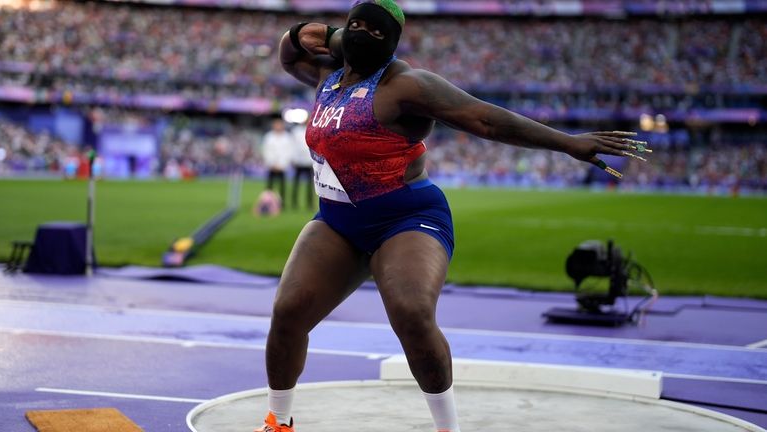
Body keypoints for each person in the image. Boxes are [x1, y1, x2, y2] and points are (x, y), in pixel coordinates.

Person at [257, 1, 649, 431]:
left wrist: (567, 143)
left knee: (411, 313)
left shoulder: (406, 86)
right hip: (338, 221)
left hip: (405, 218)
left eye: (375, 31)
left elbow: (485, 120)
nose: (362, 34)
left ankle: (448, 428)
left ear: (391, 44)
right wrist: (319, 34)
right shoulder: (326, 78)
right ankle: (279, 420)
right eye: (356, 26)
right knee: (288, 310)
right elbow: (289, 51)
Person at [261, 118, 293, 208]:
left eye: (279, 124)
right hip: (271, 166)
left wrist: (282, 164)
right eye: (276, 124)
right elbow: (266, 151)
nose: (278, 126)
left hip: (282, 166)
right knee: (269, 187)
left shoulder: (287, 137)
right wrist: (271, 163)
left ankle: (281, 204)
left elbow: (288, 152)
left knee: (282, 187)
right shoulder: (269, 137)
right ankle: (267, 203)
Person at [289, 120, 314, 210]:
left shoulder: (312, 129)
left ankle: (310, 203)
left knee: (310, 185)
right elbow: (292, 146)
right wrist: (293, 159)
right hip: (298, 162)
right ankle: (294, 203)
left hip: (308, 162)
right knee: (296, 184)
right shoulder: (296, 131)